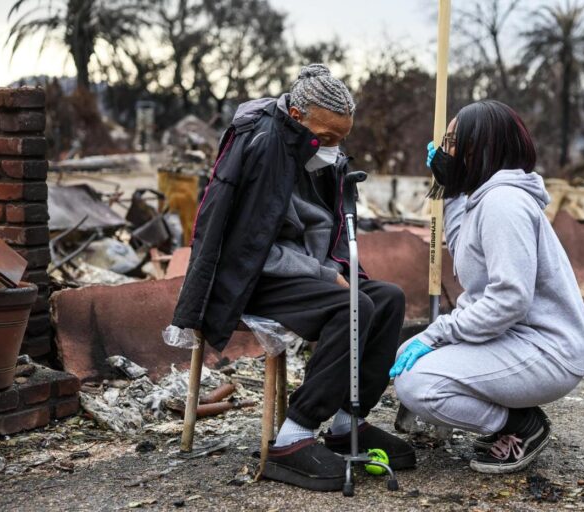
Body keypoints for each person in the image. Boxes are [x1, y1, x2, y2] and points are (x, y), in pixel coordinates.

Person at [172, 64, 415, 492]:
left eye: (343, 138)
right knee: (353, 306)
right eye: (330, 137)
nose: (336, 149)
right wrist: (325, 274)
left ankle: (347, 424)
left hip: (301, 270)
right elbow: (253, 246)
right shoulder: (266, 147)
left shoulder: (306, 148)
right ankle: (294, 437)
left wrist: (333, 270)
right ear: (298, 117)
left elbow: (320, 229)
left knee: (389, 297)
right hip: (254, 277)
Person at [390, 100, 584, 474]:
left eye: (451, 141)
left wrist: (439, 332)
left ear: (475, 148)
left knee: (418, 383)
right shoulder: (481, 200)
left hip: (547, 348)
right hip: (517, 338)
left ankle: (519, 426)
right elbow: (465, 252)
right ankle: (511, 412)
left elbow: (509, 299)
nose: (443, 149)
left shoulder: (503, 204)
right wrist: (448, 190)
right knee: (410, 357)